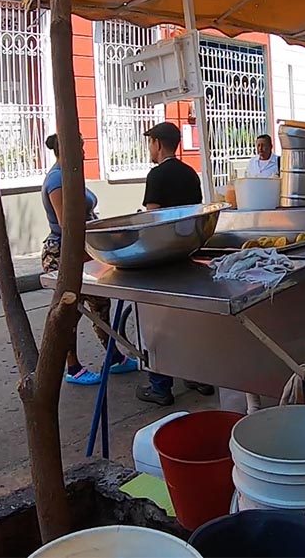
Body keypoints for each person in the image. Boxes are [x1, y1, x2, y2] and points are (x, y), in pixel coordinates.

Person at [41, 134, 138, 385]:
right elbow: (67, 225)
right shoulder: (56, 180)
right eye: (80, 148)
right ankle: (72, 368)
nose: (84, 153)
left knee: (101, 305)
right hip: (65, 253)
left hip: (85, 251)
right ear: (66, 150)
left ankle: (114, 357)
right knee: (70, 312)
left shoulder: (70, 174)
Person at [134, 122, 215, 406]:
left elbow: (154, 219)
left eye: (150, 143)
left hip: (163, 258)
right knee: (190, 318)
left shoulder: (156, 176)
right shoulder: (190, 173)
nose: (149, 149)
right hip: (189, 253)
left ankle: (160, 385)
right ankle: (199, 377)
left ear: (157, 143)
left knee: (158, 325)